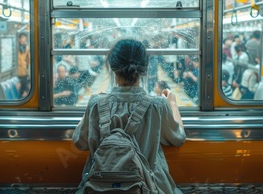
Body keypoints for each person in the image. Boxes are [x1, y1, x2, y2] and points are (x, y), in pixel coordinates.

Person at [73, 39, 186, 194]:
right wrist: (172, 103)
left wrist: (91, 106)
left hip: (99, 186)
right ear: (144, 69)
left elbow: (80, 142)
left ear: (112, 68)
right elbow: (178, 137)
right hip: (149, 185)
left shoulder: (96, 103)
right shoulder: (157, 105)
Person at [17, 32, 30, 98]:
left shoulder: (26, 48)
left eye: (24, 38)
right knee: (20, 91)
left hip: (24, 73)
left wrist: (25, 65)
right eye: (22, 38)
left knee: (25, 90)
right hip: (17, 73)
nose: (23, 40)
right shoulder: (16, 48)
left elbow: (29, 60)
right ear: (19, 39)